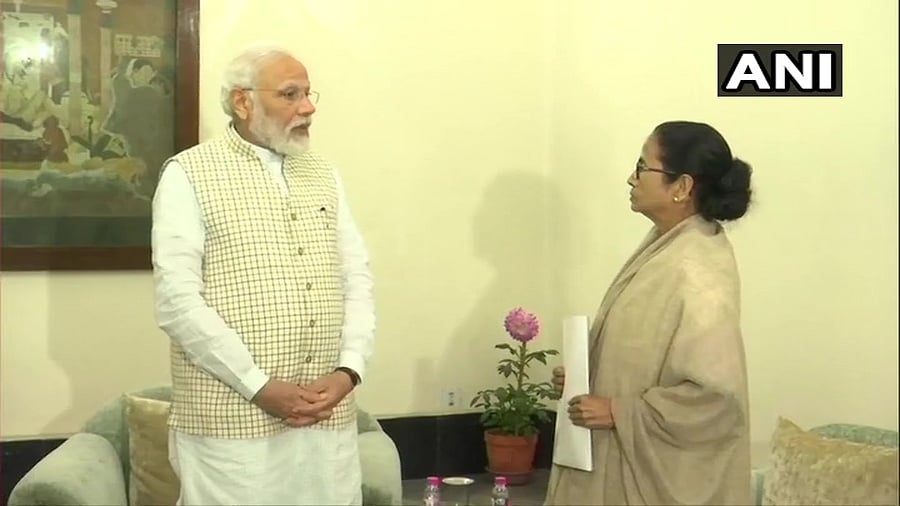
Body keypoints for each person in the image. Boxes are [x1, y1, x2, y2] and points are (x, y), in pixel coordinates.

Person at [151, 42, 375, 505]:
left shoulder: (323, 174)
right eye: (290, 94)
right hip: (232, 423)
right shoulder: (188, 173)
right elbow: (177, 301)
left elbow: (357, 279)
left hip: (326, 415)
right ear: (242, 100)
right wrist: (259, 385)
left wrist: (349, 371)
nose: (308, 107)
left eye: (310, 94)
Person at [544, 121, 753, 505]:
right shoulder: (667, 250)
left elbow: (716, 398)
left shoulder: (698, 270)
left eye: (642, 167)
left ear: (682, 187)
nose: (631, 178)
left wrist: (618, 411)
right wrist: (584, 380)